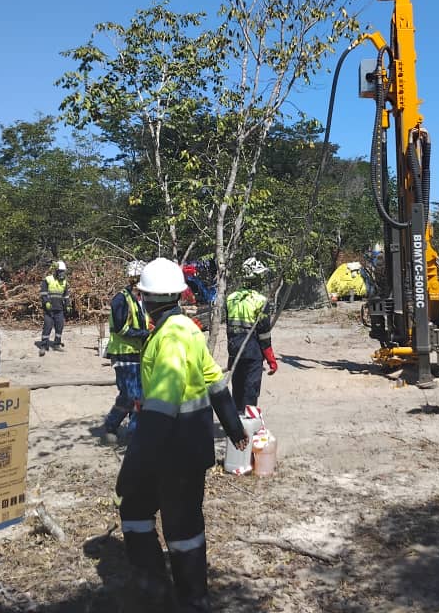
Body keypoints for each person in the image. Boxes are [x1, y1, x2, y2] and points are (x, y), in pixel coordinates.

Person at [116, 258, 248, 612]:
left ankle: (169, 595)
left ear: (146, 299)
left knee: (169, 522)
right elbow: (214, 380)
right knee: (173, 519)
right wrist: (234, 428)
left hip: (170, 450)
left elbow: (161, 410)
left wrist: (133, 467)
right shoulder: (188, 329)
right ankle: (188, 597)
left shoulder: (171, 337)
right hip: (190, 447)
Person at [101, 260, 150, 445]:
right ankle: (131, 433)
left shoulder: (141, 300)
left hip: (139, 355)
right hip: (123, 355)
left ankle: (115, 426)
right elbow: (121, 328)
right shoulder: (121, 299)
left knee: (134, 396)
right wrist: (145, 334)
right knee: (133, 395)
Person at [225, 257, 278, 412]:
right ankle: (249, 427)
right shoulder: (260, 301)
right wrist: (271, 360)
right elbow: (264, 334)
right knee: (251, 390)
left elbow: (230, 330)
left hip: (235, 350)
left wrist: (230, 356)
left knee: (238, 389)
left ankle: (236, 425)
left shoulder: (231, 298)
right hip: (252, 351)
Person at [38, 260, 70, 356]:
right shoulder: (47, 280)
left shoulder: (64, 282)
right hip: (49, 309)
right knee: (47, 327)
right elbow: (43, 293)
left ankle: (57, 344)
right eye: (60, 271)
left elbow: (66, 295)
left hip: (59, 309)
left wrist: (67, 305)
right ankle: (44, 346)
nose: (62, 273)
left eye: (63, 271)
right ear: (55, 271)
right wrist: (46, 302)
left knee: (59, 327)